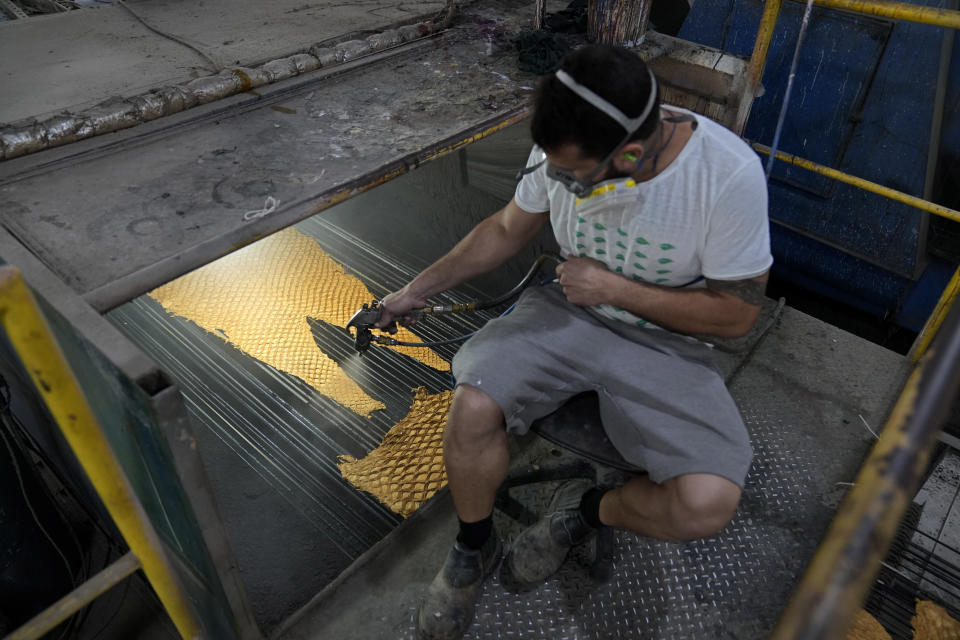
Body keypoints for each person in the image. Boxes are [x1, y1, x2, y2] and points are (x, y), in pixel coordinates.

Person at [376, 44, 772, 640]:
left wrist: (619, 289)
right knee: (472, 407)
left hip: (667, 340)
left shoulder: (727, 178)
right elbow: (510, 226)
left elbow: (738, 316)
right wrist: (414, 290)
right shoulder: (567, 142)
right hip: (568, 311)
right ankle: (473, 546)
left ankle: (582, 515)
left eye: (573, 176)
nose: (557, 180)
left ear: (630, 153)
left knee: (706, 502)